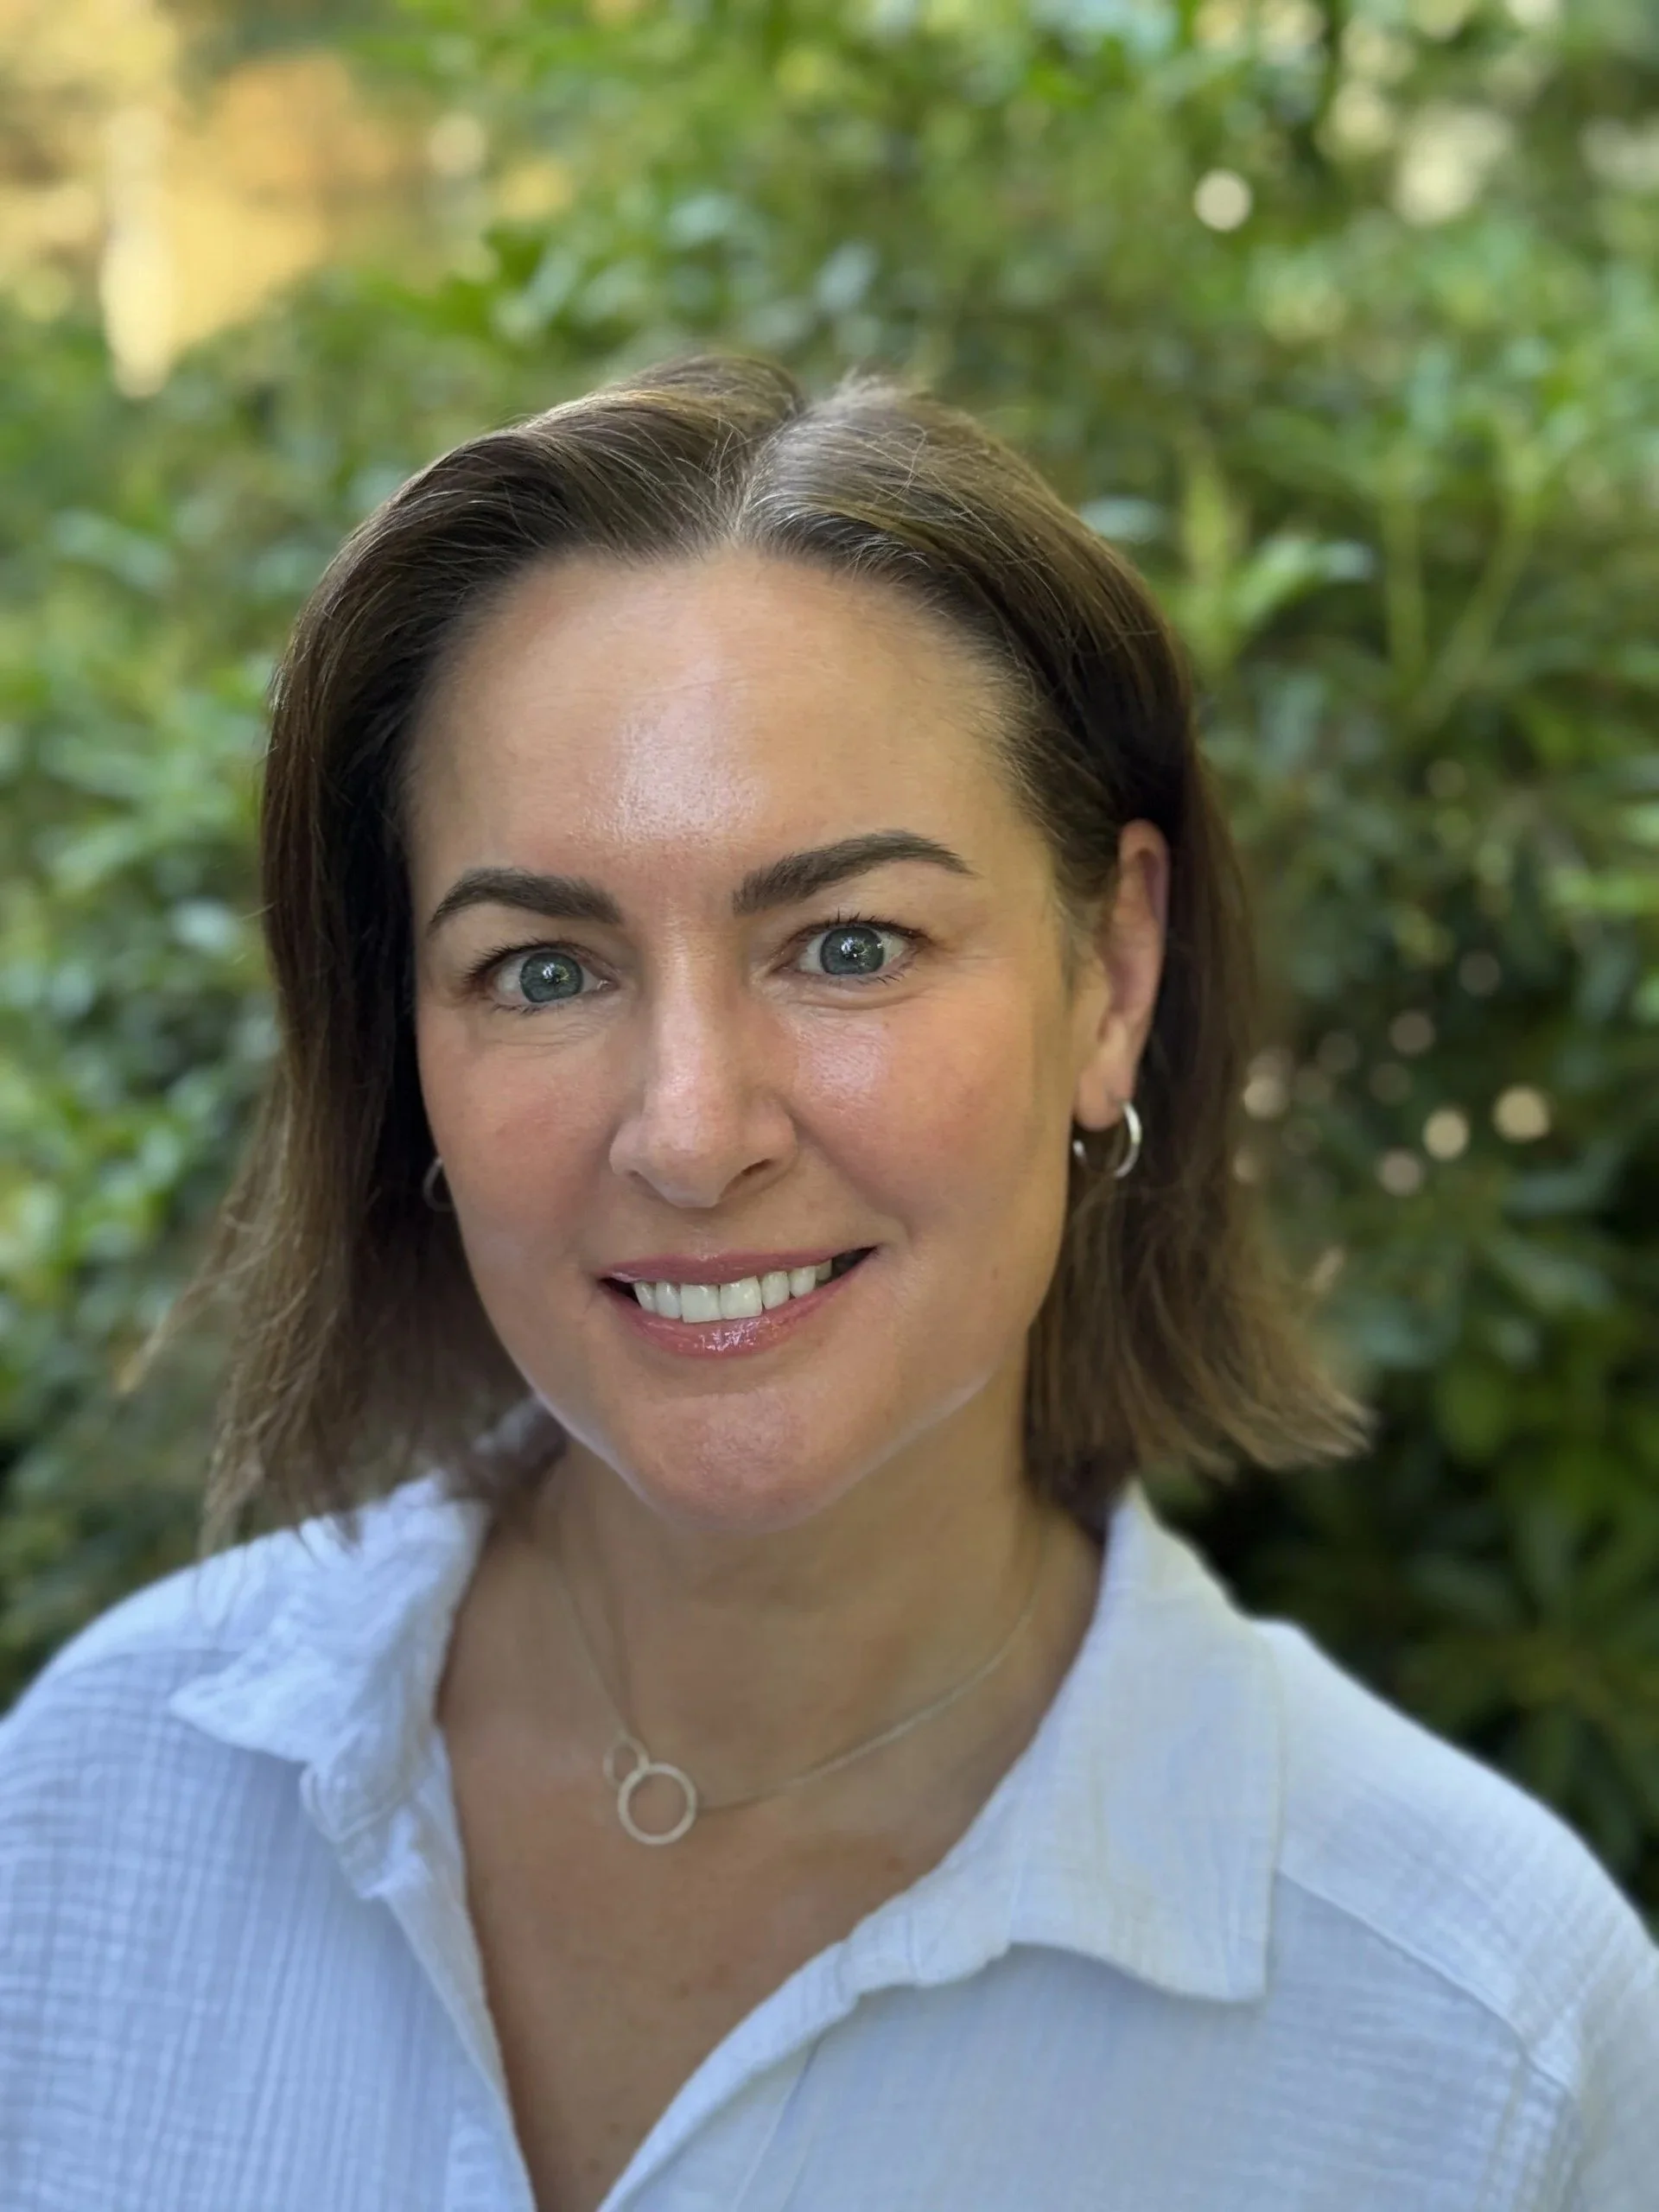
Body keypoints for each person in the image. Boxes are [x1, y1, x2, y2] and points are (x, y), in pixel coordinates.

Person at [2, 353, 1654, 2212]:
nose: (692, 1133)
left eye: (849, 942)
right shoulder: (90, 1810)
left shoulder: (1483, 2040)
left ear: (1111, 975)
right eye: (543, 968)